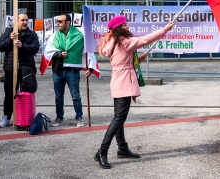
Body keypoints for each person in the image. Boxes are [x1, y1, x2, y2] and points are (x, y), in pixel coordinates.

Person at [94, 16, 174, 169]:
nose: (127, 26)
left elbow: (122, 60)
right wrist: (165, 30)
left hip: (118, 81)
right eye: (124, 24)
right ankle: (102, 151)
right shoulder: (124, 41)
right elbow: (145, 40)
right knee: (119, 118)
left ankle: (122, 148)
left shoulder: (114, 41)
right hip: (124, 82)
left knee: (119, 117)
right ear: (119, 27)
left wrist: (137, 60)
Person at [46, 14, 91, 128]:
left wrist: (90, 67)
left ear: (68, 22)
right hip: (58, 71)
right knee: (58, 96)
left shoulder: (79, 35)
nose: (58, 24)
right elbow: (48, 52)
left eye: (60, 22)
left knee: (75, 96)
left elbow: (87, 50)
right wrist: (59, 54)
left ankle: (79, 117)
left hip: (72, 71)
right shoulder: (54, 36)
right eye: (57, 22)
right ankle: (59, 118)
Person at [0, 12, 40, 127]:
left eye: (26, 20)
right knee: (9, 94)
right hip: (10, 69)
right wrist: (9, 39)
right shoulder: (8, 32)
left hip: (26, 70)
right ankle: (6, 117)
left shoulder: (32, 34)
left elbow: (35, 48)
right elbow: (0, 46)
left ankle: (25, 118)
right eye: (22, 20)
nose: (25, 22)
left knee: (26, 93)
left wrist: (23, 46)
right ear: (16, 21)